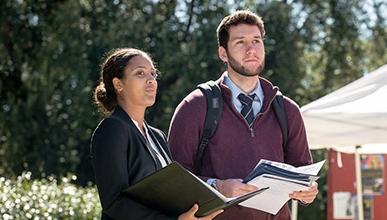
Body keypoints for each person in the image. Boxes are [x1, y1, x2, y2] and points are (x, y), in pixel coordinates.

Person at [168, 10, 318, 219]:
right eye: (240, 42)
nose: (251, 50)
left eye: (256, 41)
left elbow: (302, 172)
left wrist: (308, 192)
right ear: (223, 53)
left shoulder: (287, 110)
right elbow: (175, 180)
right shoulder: (195, 106)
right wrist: (218, 186)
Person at [90, 48, 223, 220]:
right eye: (140, 73)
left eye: (153, 74)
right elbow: (114, 202)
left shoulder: (158, 136)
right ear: (118, 84)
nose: (151, 80)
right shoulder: (113, 129)